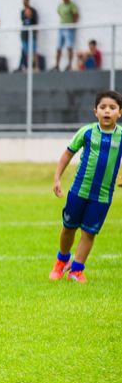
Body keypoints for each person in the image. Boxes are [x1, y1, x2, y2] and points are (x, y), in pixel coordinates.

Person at [49, 90, 122, 283]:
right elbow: (68, 154)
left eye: (112, 108)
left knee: (89, 232)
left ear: (119, 113)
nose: (107, 111)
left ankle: (77, 270)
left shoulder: (121, 136)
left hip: (103, 195)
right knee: (68, 228)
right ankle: (62, 261)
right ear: (95, 111)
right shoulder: (87, 132)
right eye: (103, 107)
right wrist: (57, 178)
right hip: (79, 190)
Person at [54, 0, 79, 71]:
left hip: (69, 28)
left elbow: (76, 15)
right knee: (58, 47)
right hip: (61, 28)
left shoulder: (72, 5)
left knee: (69, 47)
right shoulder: (60, 6)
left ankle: (69, 65)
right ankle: (57, 65)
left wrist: (72, 25)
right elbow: (59, 13)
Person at [17, 0, 39, 72]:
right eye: (23, 2)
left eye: (26, 2)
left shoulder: (33, 11)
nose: (24, 3)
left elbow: (36, 23)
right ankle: (27, 66)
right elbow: (23, 21)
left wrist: (35, 34)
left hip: (32, 35)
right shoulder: (22, 11)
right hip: (24, 35)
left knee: (34, 51)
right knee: (26, 52)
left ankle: (36, 67)